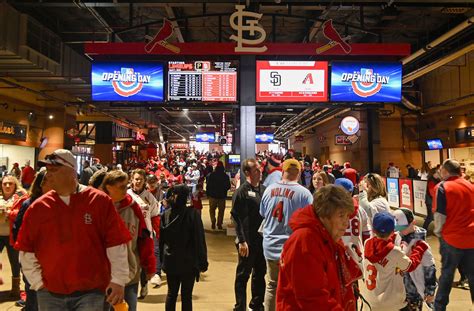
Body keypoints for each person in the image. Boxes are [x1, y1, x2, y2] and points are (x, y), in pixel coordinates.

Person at [15, 149, 131, 310]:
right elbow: (26, 249)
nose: (48, 175)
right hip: (50, 293)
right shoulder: (38, 208)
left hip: (91, 292)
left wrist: (118, 280)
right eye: (47, 170)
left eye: (54, 170)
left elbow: (116, 244)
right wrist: (38, 283)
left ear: (71, 171)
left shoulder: (99, 201)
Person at [276, 185, 362, 310]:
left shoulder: (329, 238)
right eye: (341, 215)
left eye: (347, 216)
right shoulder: (304, 241)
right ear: (324, 215)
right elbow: (313, 299)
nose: (346, 223)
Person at [259, 159, 313, 311]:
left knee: (272, 286)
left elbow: (263, 214)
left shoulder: (269, 190)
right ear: (300, 172)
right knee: (295, 288)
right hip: (294, 249)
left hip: (270, 245)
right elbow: (311, 222)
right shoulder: (304, 193)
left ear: (282, 170)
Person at [102, 170, 156, 311]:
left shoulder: (134, 208)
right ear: (108, 187)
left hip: (130, 272)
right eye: (121, 187)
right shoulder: (99, 208)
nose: (125, 190)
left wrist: (149, 266)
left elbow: (144, 238)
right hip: (104, 276)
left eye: (126, 186)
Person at [363, 212, 430, 310]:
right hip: (390, 303)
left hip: (370, 301)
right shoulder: (394, 252)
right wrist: (420, 248)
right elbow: (411, 266)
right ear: (392, 231)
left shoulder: (367, 244)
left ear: (373, 230)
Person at [432, 159, 474, 311]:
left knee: (447, 275)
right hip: (471, 238)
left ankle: (439, 307)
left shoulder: (443, 187)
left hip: (452, 238)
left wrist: (438, 232)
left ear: (446, 171)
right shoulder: (470, 185)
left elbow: (440, 215)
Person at [159, 184, 208, 311]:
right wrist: (203, 261)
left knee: (171, 294)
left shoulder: (165, 215)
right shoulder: (193, 214)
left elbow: (161, 241)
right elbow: (199, 240)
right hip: (189, 262)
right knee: (186, 296)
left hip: (170, 261)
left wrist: (161, 261)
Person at [12, 170, 53, 311]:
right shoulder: (29, 204)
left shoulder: (59, 203)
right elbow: (18, 230)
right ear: (41, 184)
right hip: (32, 257)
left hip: (52, 258)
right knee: (33, 293)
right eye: (50, 181)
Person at [230, 159, 266, 311]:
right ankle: (240, 306)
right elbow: (236, 217)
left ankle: (257, 305)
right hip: (247, 241)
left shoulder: (264, 190)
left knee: (260, 274)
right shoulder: (242, 192)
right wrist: (242, 241)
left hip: (261, 241)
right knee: (243, 275)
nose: (259, 172)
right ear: (247, 173)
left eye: (260, 169)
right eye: (256, 170)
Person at [393, 208, 437, 310]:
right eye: (398, 227)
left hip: (414, 292)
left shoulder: (421, 244)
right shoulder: (398, 236)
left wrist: (430, 290)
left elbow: (430, 268)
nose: (400, 230)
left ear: (413, 222)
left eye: (404, 227)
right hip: (400, 290)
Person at [127, 168, 160, 299]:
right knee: (131, 262)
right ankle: (131, 289)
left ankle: (144, 284)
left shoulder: (149, 197)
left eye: (141, 179)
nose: (138, 181)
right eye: (136, 179)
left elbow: (155, 216)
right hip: (129, 234)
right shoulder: (126, 194)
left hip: (145, 235)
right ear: (131, 180)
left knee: (143, 262)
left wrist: (157, 231)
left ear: (144, 181)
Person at [335, 178, 371, 270]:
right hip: (356, 253)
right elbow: (366, 234)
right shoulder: (360, 209)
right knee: (354, 281)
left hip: (338, 254)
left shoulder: (332, 211)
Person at [0, 174, 26, 299]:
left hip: (12, 236)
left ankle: (16, 289)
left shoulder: (20, 198)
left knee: (15, 262)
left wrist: (10, 213)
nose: (7, 186)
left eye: (10, 183)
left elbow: (23, 214)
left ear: (15, 184)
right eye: (5, 183)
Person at [206, 161, 231, 230]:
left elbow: (208, 186)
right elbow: (228, 186)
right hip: (222, 196)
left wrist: (208, 194)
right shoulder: (225, 176)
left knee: (212, 210)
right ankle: (219, 223)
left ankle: (213, 221)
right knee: (221, 211)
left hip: (212, 196)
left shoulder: (211, 175)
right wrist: (223, 189)